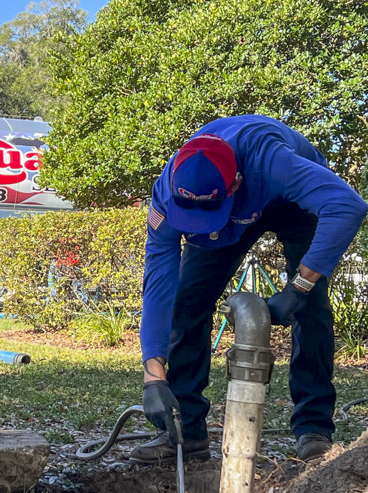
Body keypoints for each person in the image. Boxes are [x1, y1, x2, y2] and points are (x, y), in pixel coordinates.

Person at [134, 115, 368, 464]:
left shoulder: (273, 163)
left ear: (235, 183)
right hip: (223, 208)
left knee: (310, 307)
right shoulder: (168, 198)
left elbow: (348, 206)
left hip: (289, 203)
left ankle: (313, 430)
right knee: (187, 302)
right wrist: (153, 374)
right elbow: (159, 288)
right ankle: (185, 434)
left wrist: (300, 286)